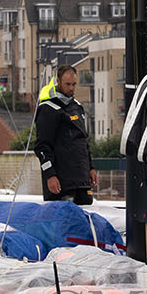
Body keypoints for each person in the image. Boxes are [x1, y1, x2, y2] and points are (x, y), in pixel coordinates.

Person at [33, 65, 95, 204]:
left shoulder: (77, 107)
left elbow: (83, 142)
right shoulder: (48, 109)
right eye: (67, 84)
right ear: (58, 82)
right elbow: (41, 147)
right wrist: (50, 175)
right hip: (61, 183)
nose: (71, 88)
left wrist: (91, 168)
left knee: (86, 208)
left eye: (74, 84)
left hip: (82, 181)